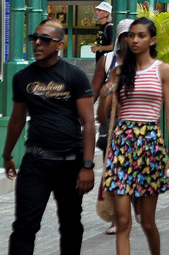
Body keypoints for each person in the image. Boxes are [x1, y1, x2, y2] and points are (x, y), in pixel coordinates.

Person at [5, 20, 95, 255]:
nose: (37, 43)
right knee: (25, 226)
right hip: (36, 162)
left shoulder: (75, 75)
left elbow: (88, 123)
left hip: (70, 163)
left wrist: (87, 165)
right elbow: (16, 119)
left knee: (71, 225)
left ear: (59, 45)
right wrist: (6, 155)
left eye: (45, 39)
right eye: (34, 38)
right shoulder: (22, 77)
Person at [98, 17, 169, 255]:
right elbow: (102, 117)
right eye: (131, 35)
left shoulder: (162, 70)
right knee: (123, 221)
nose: (134, 40)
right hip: (122, 144)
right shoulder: (118, 72)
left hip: (150, 144)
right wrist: (105, 94)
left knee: (147, 221)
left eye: (141, 35)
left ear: (152, 40)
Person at [90, 18, 133, 236]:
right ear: (118, 38)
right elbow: (93, 92)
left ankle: (135, 214)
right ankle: (117, 218)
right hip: (112, 125)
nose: (129, 40)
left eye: (133, 35)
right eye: (125, 35)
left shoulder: (147, 63)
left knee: (133, 173)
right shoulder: (107, 61)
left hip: (138, 127)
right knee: (115, 172)